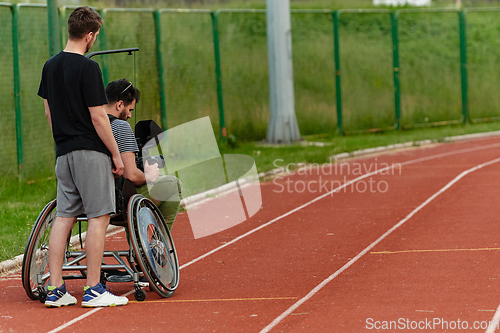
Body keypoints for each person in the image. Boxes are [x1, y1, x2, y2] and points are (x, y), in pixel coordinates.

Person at [38, 7, 128, 308]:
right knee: (99, 216)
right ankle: (93, 289)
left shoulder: (49, 66)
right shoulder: (88, 68)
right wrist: (116, 154)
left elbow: (49, 112)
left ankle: (55, 289)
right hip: (90, 152)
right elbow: (99, 118)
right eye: (95, 36)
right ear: (89, 35)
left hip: (63, 152)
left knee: (64, 216)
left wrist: (62, 141)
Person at [104, 79, 182, 232]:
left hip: (87, 200)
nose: (129, 116)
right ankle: (156, 246)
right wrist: (149, 176)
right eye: (130, 110)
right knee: (174, 184)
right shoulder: (121, 127)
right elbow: (131, 175)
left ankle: (139, 248)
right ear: (119, 105)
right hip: (115, 202)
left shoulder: (89, 124)